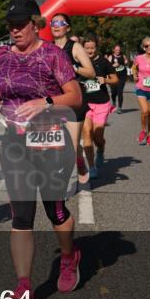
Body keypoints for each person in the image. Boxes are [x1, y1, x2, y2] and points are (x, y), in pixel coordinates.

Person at [0, 0, 83, 299]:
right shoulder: (1, 55)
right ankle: (24, 287)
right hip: (15, 143)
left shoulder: (53, 55)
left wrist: (45, 101)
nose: (14, 31)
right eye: (10, 26)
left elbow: (75, 96)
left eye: (20, 25)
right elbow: (1, 86)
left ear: (35, 24)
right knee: (21, 216)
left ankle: (69, 257)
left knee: (55, 210)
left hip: (51, 139)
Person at [50, 14, 96, 185]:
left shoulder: (75, 47)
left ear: (67, 28)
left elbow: (91, 72)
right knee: (55, 145)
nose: (56, 26)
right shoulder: (47, 47)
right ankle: (60, 184)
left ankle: (79, 162)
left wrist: (73, 67)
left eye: (60, 23)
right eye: (53, 23)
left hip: (75, 99)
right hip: (54, 100)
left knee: (72, 146)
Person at [81, 34, 118, 178]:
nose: (90, 51)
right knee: (86, 132)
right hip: (85, 104)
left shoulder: (103, 62)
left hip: (101, 103)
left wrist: (105, 80)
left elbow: (115, 79)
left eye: (92, 48)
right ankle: (91, 167)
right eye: (87, 48)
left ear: (96, 47)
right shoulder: (80, 63)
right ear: (82, 48)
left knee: (98, 136)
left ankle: (101, 149)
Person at [132, 37, 150, 146]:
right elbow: (134, 68)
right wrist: (135, 75)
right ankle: (143, 130)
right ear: (143, 47)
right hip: (141, 87)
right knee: (145, 111)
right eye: (146, 46)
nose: (149, 47)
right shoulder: (138, 58)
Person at [106, 44, 129, 111]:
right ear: (114, 50)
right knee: (113, 92)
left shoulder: (123, 56)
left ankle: (120, 107)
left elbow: (126, 62)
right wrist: (113, 65)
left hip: (122, 76)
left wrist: (126, 62)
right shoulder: (111, 57)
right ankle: (113, 101)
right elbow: (107, 67)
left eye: (118, 50)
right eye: (116, 50)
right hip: (113, 77)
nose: (118, 51)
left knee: (120, 91)